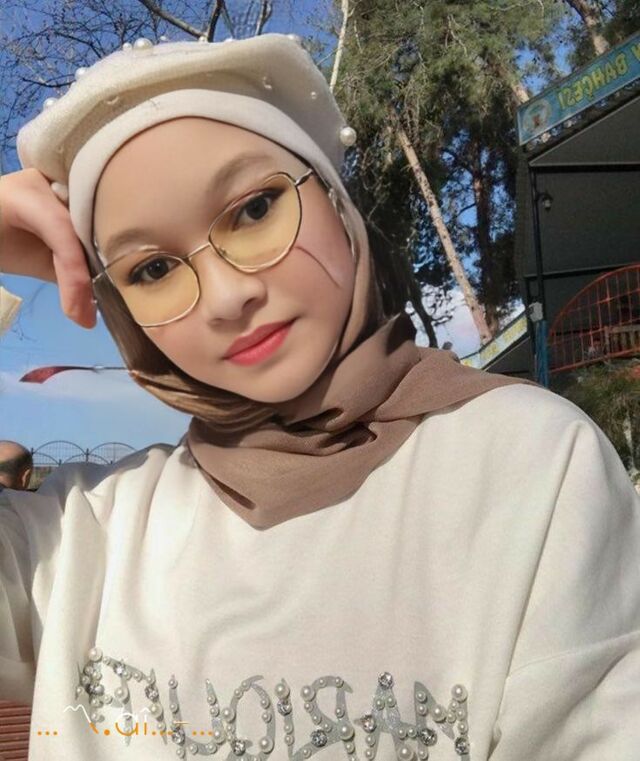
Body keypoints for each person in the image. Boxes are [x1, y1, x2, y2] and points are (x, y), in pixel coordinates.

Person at [0, 33, 638, 761]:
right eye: (152, 270)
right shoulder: (77, 535)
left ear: (335, 198)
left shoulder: (531, 464)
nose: (228, 296)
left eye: (254, 210)